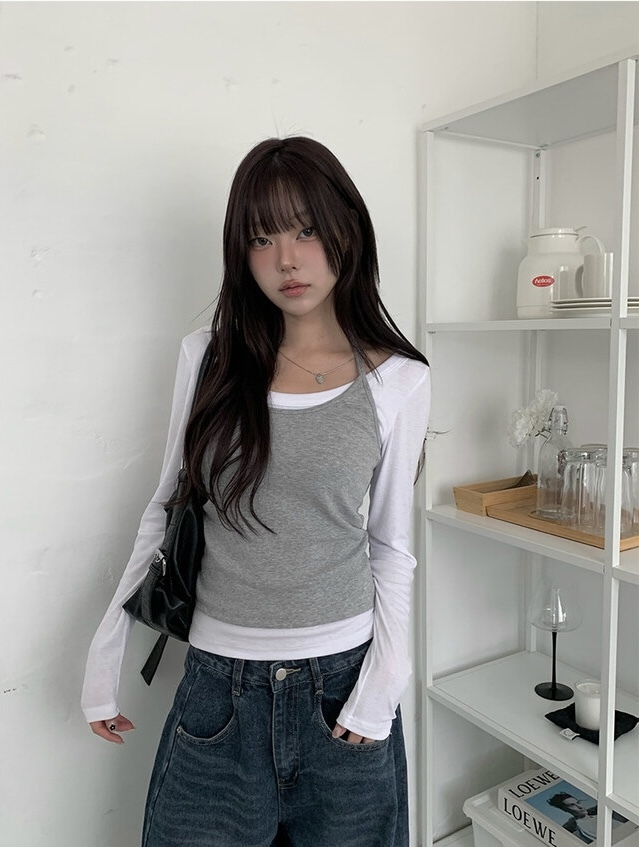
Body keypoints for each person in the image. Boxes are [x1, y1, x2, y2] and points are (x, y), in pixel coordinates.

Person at [82, 136, 431, 847]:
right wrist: (105, 654)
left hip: (345, 687)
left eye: (304, 231)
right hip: (218, 694)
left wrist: (381, 690)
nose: (286, 260)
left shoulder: (398, 379)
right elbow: (165, 509)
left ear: (345, 231)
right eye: (261, 238)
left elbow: (391, 546)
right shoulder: (207, 358)